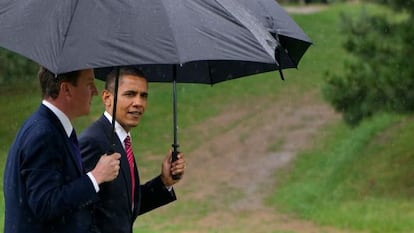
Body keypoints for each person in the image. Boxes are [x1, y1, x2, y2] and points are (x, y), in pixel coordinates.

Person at [3, 67, 122, 233]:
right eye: (89, 84)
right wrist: (96, 177)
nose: (95, 91)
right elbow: (45, 204)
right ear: (66, 89)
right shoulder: (44, 134)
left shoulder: (50, 127)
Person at [79, 66, 186, 233]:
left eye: (143, 96)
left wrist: (164, 182)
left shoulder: (122, 139)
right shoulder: (93, 141)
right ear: (107, 98)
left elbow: (123, 207)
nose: (138, 103)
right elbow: (77, 212)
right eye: (130, 94)